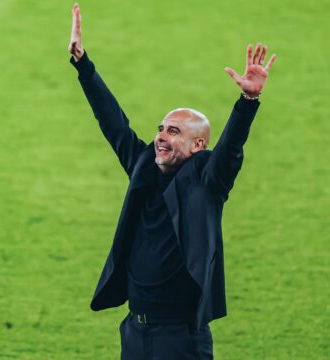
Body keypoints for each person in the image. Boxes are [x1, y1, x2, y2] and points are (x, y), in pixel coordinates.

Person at [67, 3, 275, 359]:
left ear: (198, 145)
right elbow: (113, 122)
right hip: (134, 331)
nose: (161, 136)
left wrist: (248, 100)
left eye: (173, 131)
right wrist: (83, 65)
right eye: (161, 128)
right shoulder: (145, 165)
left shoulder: (208, 180)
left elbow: (231, 147)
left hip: (180, 339)